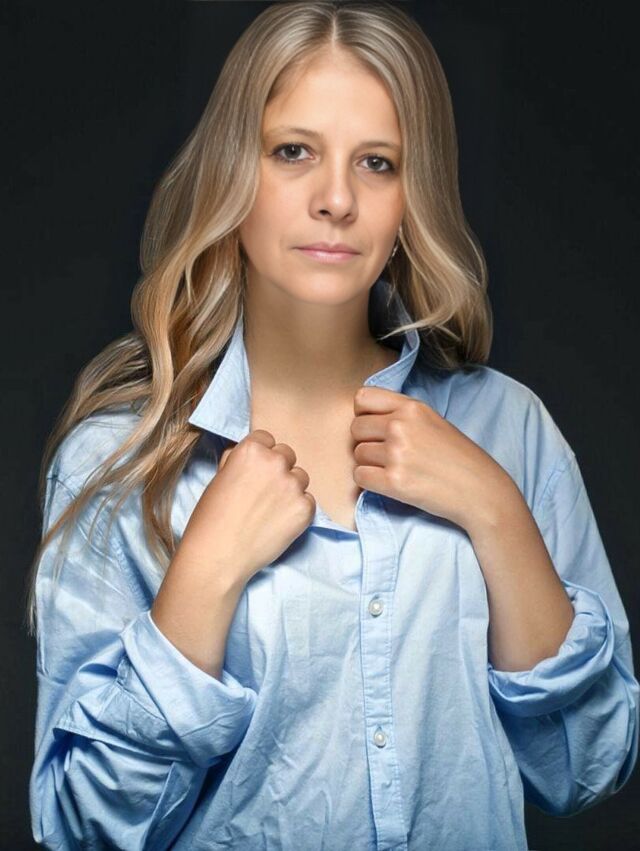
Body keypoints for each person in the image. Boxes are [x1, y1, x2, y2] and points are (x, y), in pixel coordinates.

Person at [26, 1, 638, 849]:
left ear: (411, 196)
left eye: (377, 163)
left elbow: (588, 766)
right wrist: (204, 576)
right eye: (294, 151)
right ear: (233, 171)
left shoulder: (510, 426)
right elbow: (81, 827)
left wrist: (495, 510)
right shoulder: (121, 459)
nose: (338, 200)